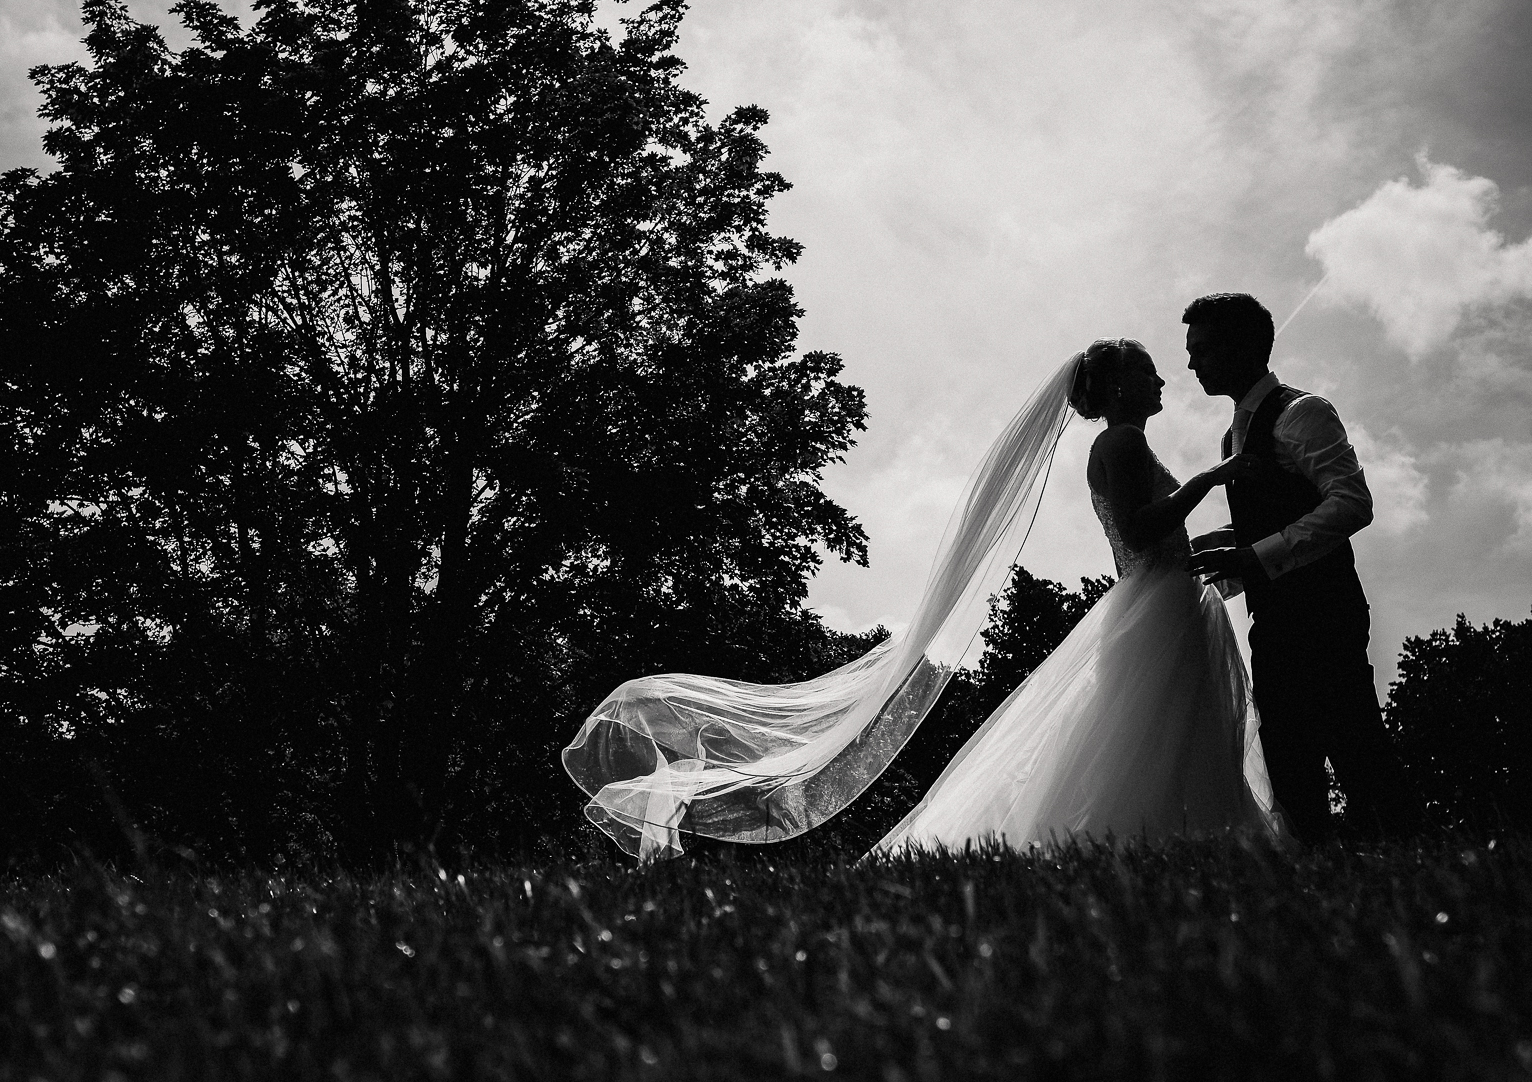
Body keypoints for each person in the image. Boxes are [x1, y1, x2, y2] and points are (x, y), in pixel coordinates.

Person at [562, 341, 1277, 861]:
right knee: (1157, 735)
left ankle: (1203, 848)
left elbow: (1157, 536)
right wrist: (1211, 479)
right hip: (1154, 605)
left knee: (1182, 734)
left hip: (1168, 598)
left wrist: (1209, 538)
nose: (1162, 379)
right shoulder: (1119, 445)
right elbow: (1139, 531)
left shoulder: (1126, 443)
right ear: (1119, 388)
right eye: (1148, 370)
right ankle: (1162, 847)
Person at [1183, 293, 1416, 844]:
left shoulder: (1302, 412)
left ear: (1243, 348)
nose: (1191, 363)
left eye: (1203, 349)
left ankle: (1405, 855)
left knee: (1357, 748)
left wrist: (1255, 557)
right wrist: (1219, 548)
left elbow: (1351, 503)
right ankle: (1315, 868)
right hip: (1272, 618)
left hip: (1325, 610)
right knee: (1288, 760)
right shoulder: (1232, 435)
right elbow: (1277, 514)